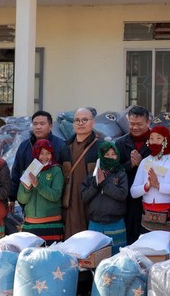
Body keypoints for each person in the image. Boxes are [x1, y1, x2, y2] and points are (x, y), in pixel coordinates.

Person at [130, 126, 170, 239]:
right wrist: (147, 186)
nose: (154, 142)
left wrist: (159, 186)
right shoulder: (145, 161)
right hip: (147, 218)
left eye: (159, 138)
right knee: (149, 251)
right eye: (152, 138)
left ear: (166, 140)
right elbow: (133, 192)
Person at [60, 107, 102, 238]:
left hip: (92, 199)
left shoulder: (100, 146)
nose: (81, 123)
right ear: (73, 124)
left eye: (85, 120)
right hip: (71, 199)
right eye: (77, 120)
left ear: (93, 123)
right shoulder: (66, 147)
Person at [81, 140, 130, 252]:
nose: (110, 157)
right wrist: (96, 184)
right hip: (95, 223)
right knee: (96, 257)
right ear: (101, 156)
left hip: (116, 223)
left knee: (116, 257)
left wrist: (104, 184)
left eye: (113, 154)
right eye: (107, 154)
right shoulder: (92, 176)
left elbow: (122, 195)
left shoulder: (121, 174)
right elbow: (85, 197)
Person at [115, 105, 152, 244]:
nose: (135, 127)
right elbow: (115, 170)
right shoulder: (120, 143)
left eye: (139, 124)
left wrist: (142, 163)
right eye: (132, 124)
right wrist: (130, 165)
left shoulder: (157, 142)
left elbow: (163, 169)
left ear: (148, 122)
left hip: (150, 197)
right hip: (127, 199)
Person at [10, 110, 66, 202]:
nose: (38, 127)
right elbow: (16, 172)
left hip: (52, 204)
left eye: (42, 124)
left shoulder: (61, 145)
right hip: (29, 203)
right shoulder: (24, 146)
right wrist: (11, 198)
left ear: (50, 126)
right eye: (35, 124)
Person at [17, 139, 65, 243]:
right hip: (30, 224)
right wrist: (27, 189)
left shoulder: (56, 171)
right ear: (36, 154)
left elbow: (55, 195)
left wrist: (38, 185)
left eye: (48, 153)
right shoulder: (28, 171)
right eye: (41, 153)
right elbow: (21, 199)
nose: (45, 157)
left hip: (52, 223)